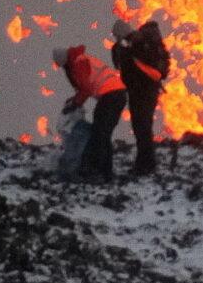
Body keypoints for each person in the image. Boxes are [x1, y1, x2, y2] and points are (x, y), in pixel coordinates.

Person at [111, 13, 171, 176]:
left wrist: (123, 50)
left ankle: (146, 165)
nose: (116, 38)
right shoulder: (133, 44)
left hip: (143, 92)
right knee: (141, 127)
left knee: (142, 127)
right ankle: (144, 163)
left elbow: (134, 69)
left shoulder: (137, 44)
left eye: (117, 35)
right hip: (141, 91)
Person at [58, 43, 129, 182]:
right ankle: (105, 171)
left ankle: (97, 171)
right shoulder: (80, 59)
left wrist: (75, 104)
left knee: (99, 132)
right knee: (103, 132)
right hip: (115, 94)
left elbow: (86, 89)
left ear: (63, 61)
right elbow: (85, 88)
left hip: (111, 95)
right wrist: (74, 100)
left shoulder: (79, 63)